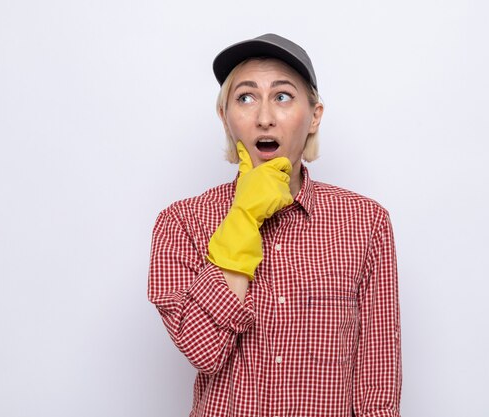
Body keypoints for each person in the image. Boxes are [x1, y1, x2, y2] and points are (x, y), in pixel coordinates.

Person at [148, 33, 402, 417]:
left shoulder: (366, 222)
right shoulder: (182, 223)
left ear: (314, 116)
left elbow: (378, 383)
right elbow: (204, 350)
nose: (264, 116)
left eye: (282, 96)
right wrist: (244, 218)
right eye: (245, 97)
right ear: (225, 118)